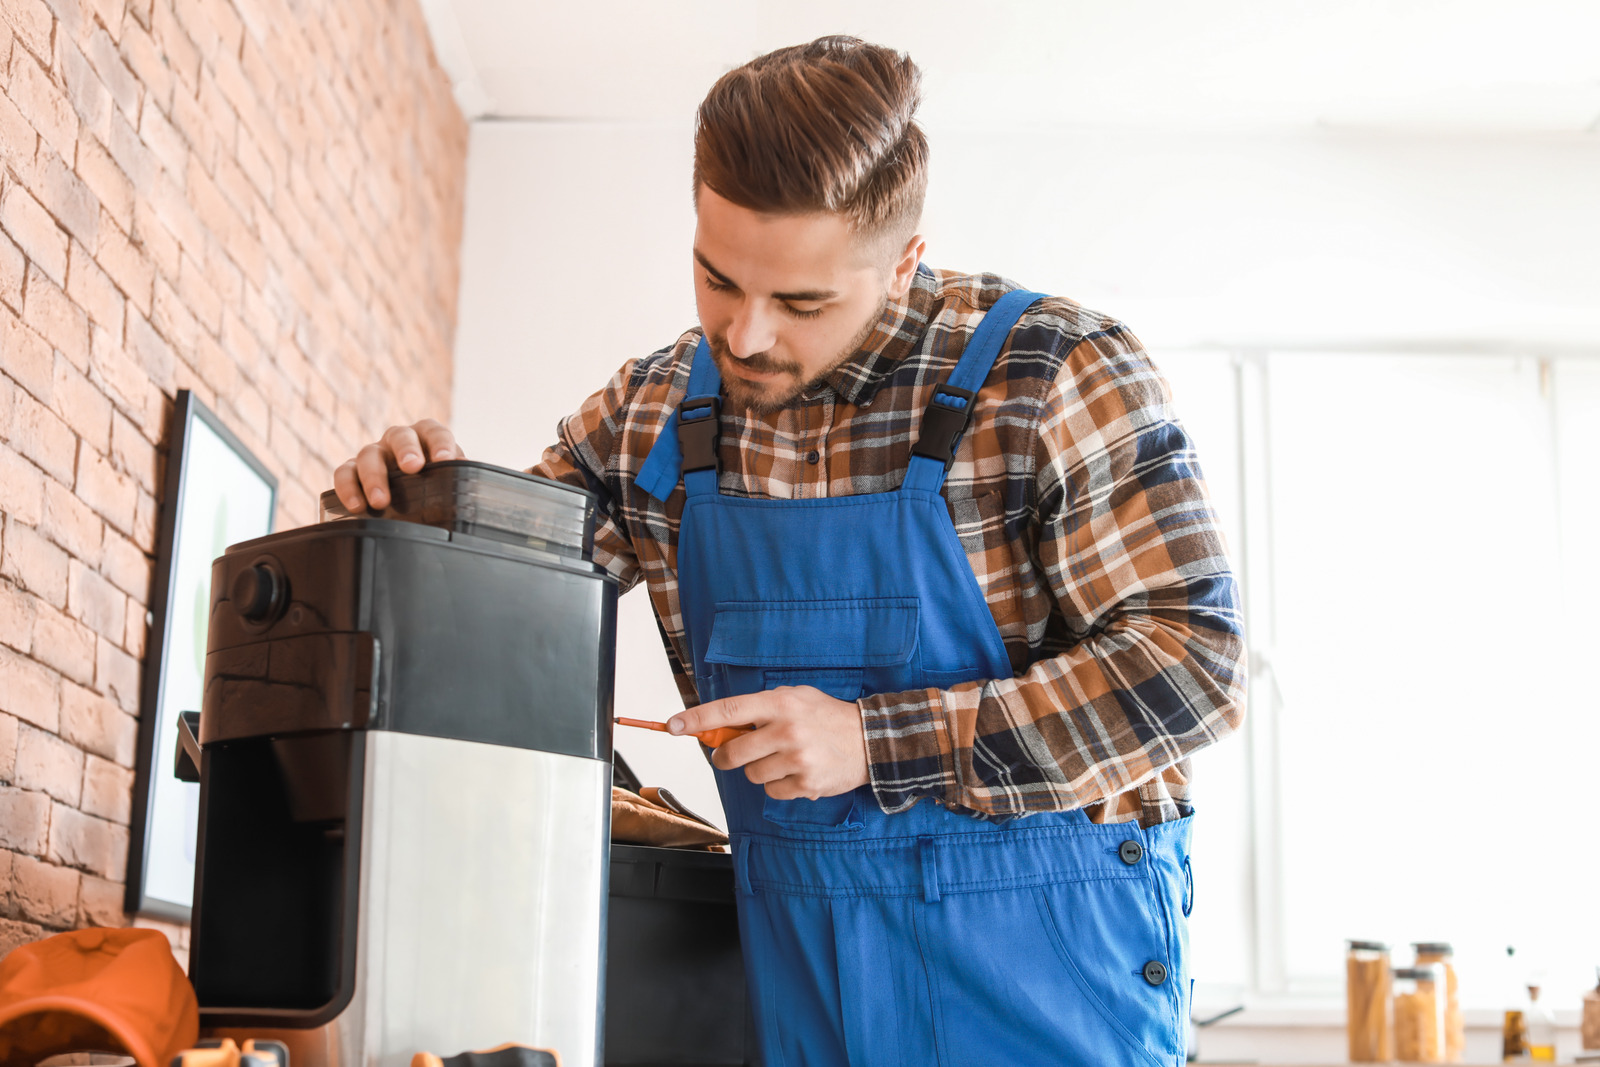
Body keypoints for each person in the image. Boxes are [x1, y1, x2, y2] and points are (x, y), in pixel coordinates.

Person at [335, 36, 1245, 1067]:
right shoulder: (655, 411)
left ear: (904, 259)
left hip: (1046, 981)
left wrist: (875, 740)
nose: (748, 335)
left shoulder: (1052, 373)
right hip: (800, 983)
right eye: (717, 279)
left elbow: (1193, 668)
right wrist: (406, 507)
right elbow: (488, 598)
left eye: (803, 303)